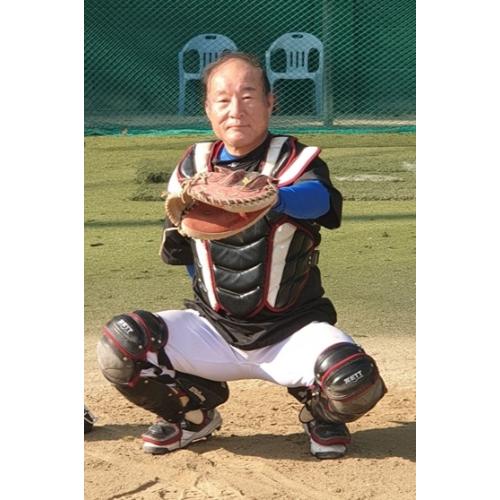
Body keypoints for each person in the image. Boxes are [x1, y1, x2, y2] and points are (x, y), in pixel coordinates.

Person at [96, 52, 386, 459]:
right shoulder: (192, 169)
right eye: (223, 99)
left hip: (291, 332)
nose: (236, 109)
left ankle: (320, 413)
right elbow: (182, 252)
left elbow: (322, 201)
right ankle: (192, 413)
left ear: (270, 102)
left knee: (355, 381)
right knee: (121, 343)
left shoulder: (295, 160)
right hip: (214, 331)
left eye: (249, 96)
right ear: (208, 109)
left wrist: (272, 198)